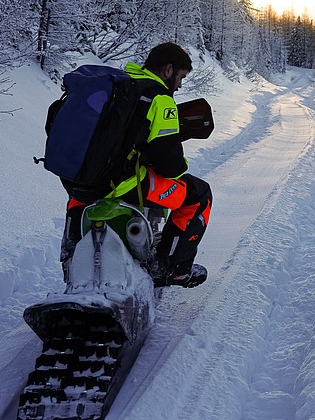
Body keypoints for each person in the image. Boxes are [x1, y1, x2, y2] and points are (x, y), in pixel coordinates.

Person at [64, 42, 212, 288]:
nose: (180, 85)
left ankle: (70, 257)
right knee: (199, 196)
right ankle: (171, 268)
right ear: (168, 70)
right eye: (181, 77)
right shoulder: (160, 99)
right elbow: (171, 166)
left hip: (81, 181)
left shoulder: (118, 85)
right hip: (125, 184)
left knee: (78, 196)